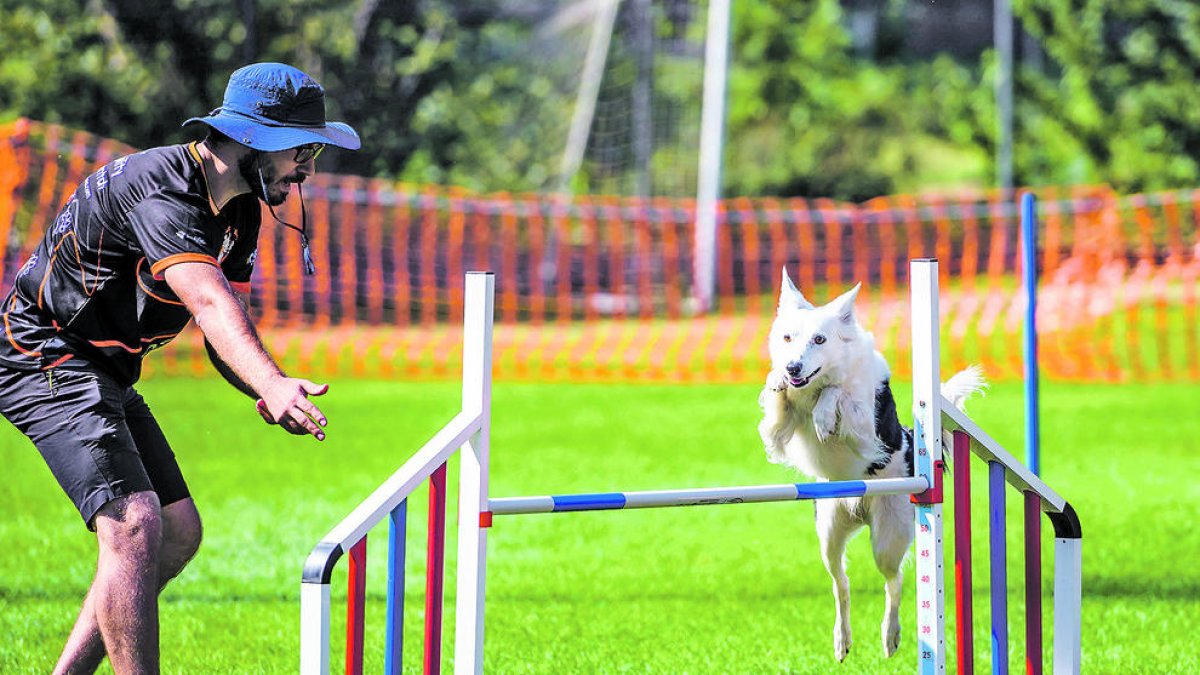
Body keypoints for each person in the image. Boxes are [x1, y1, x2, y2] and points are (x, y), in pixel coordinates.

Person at [0, 62, 360, 674]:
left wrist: (262, 386)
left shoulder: (241, 209)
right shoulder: (162, 188)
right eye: (302, 150)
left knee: (176, 530)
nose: (308, 168)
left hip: (103, 366)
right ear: (253, 140)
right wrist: (271, 382)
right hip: (41, 352)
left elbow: (224, 325)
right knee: (134, 523)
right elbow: (208, 302)